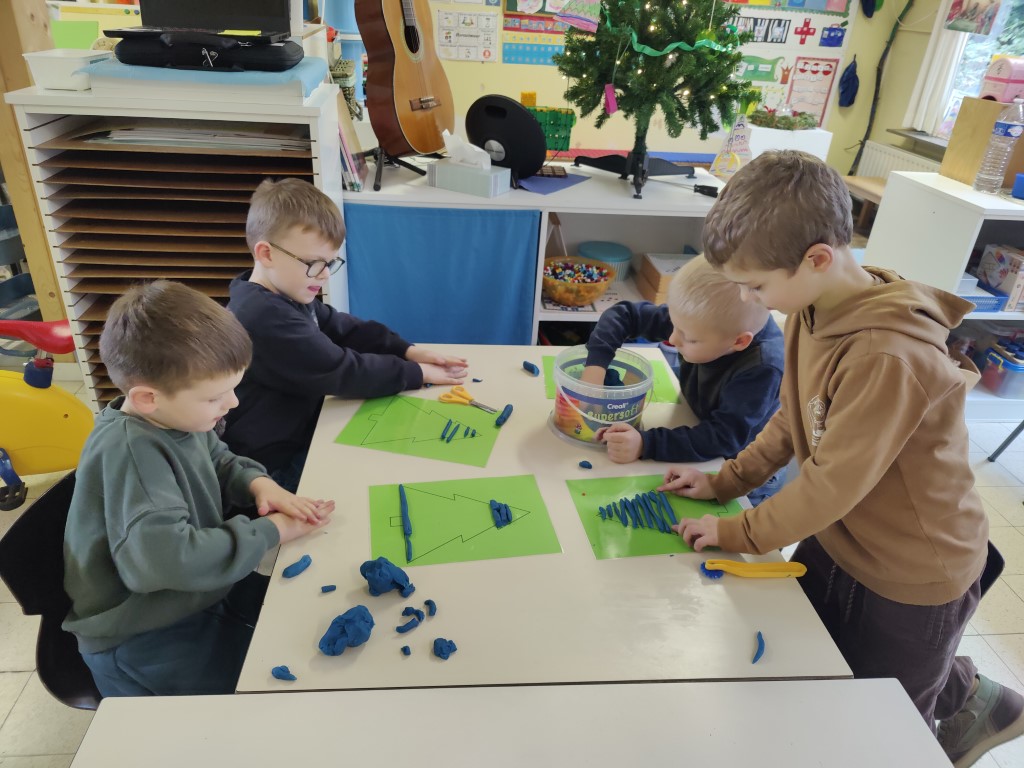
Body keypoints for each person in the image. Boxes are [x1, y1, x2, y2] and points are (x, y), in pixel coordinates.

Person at [662, 150, 1024, 768]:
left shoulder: (885, 355)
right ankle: (973, 693)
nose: (750, 298)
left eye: (756, 285)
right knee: (820, 660)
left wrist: (736, 531)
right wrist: (729, 479)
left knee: (885, 713)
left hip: (913, 572)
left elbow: (830, 485)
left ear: (817, 258)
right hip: (841, 538)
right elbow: (794, 415)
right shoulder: (812, 307)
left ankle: (969, 714)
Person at [63, 281, 335, 697]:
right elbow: (165, 563)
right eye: (215, 397)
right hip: (143, 633)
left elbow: (218, 458)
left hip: (192, 595)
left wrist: (258, 483)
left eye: (233, 389)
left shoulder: (173, 418)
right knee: (257, 701)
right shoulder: (133, 453)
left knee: (297, 621)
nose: (233, 404)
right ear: (148, 397)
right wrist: (272, 531)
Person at [223, 178, 468, 492]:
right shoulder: (262, 316)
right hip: (276, 466)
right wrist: (417, 373)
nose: (325, 274)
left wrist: (407, 350)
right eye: (314, 263)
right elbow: (341, 370)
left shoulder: (284, 295)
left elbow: (344, 328)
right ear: (266, 254)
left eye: (330, 263)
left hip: (304, 433)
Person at [581, 255, 785, 504]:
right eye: (674, 325)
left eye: (689, 338)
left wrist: (646, 444)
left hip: (739, 471)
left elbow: (722, 437)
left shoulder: (763, 368)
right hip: (697, 419)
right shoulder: (699, 322)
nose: (672, 339)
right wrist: (595, 368)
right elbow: (624, 315)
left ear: (739, 341)